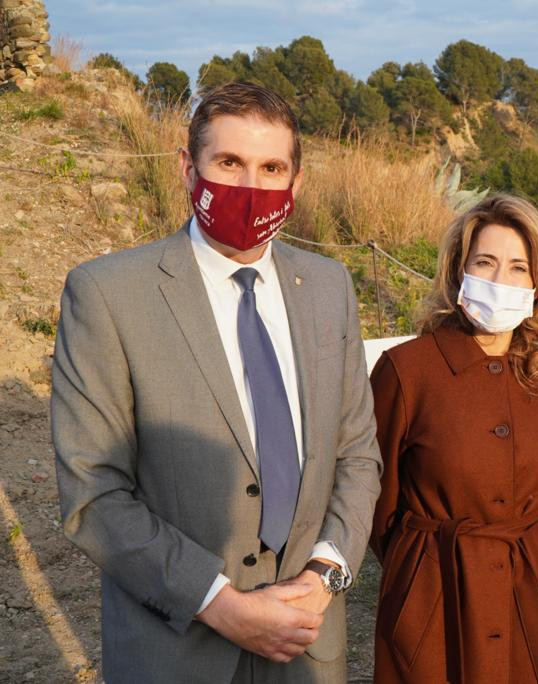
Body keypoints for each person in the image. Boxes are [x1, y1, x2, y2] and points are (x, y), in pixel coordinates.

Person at [51, 82, 382, 683]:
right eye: (229, 162)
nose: (250, 186)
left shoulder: (330, 286)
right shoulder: (107, 294)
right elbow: (93, 493)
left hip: (307, 644)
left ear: (295, 183)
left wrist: (325, 575)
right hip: (177, 652)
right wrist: (222, 606)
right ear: (188, 168)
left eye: (271, 168)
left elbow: (357, 453)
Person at [369, 194, 538, 683]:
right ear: (459, 271)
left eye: (518, 268)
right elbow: (377, 505)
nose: (500, 280)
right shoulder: (406, 371)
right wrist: (422, 564)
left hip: (533, 592)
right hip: (436, 596)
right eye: (485, 263)